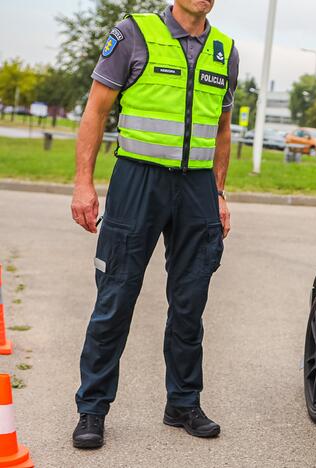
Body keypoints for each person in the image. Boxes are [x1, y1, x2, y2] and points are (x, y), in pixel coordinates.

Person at [69, 0, 239, 449]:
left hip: (197, 190)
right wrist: (83, 184)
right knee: (116, 298)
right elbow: (95, 111)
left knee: (190, 303)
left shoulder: (224, 50)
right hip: (137, 181)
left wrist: (219, 193)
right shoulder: (132, 34)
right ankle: (92, 409)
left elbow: (223, 130)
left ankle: (183, 403)